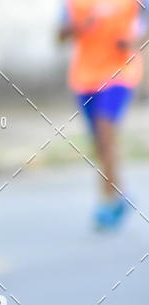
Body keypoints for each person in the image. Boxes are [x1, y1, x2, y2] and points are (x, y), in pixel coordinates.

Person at [58, 0, 148, 229]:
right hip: (84, 78)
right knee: (98, 142)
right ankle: (119, 193)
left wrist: (135, 41)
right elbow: (59, 36)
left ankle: (106, 200)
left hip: (120, 72)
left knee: (105, 131)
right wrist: (77, 27)